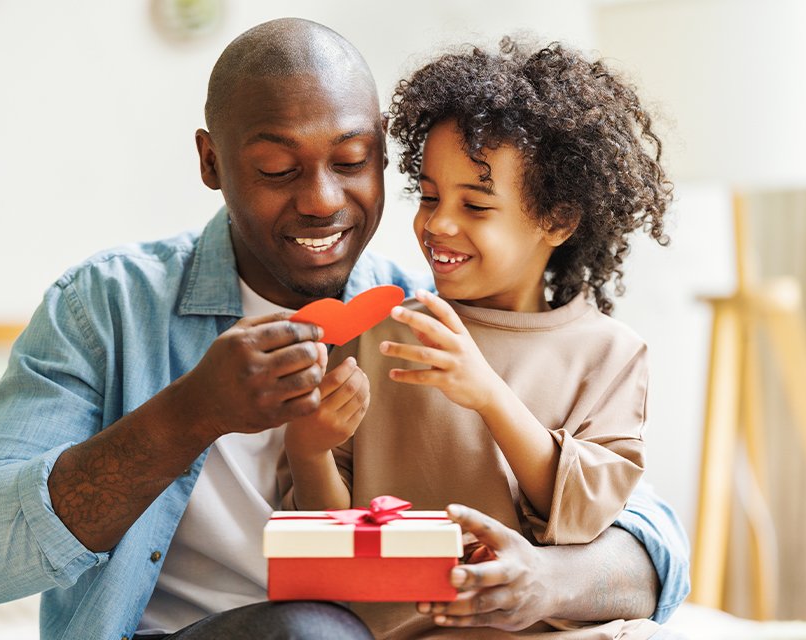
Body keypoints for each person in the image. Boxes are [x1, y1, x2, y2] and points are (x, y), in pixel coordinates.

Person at [0, 18, 688, 640]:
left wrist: (544, 583)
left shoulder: (419, 318)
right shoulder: (103, 307)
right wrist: (190, 414)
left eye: (352, 161)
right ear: (212, 162)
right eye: (276, 169)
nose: (322, 201)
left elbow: (650, 541)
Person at [283, 37, 674, 639]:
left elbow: (586, 517)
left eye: (476, 205)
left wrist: (487, 392)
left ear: (558, 219)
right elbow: (325, 560)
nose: (439, 223)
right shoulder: (381, 334)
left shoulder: (610, 355)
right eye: (432, 197)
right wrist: (309, 450)